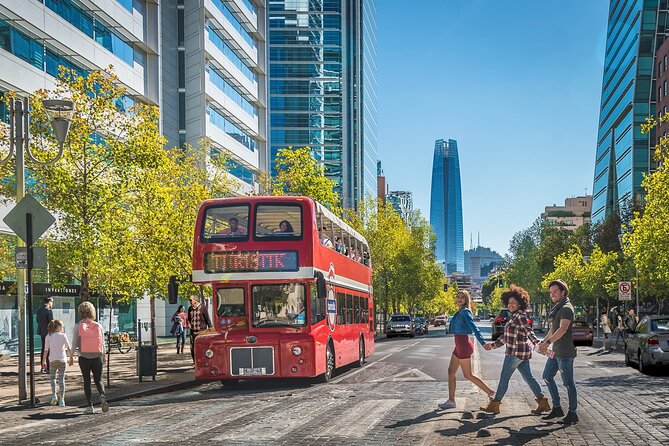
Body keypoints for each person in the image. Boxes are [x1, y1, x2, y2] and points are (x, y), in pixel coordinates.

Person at [481, 285, 549, 415]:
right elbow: (506, 336)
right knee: (529, 378)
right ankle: (542, 402)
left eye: (514, 302)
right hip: (522, 353)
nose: (511, 304)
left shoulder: (520, 316)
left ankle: (495, 404)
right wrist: (493, 345)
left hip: (515, 353)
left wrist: (538, 343)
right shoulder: (513, 316)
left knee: (504, 378)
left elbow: (529, 331)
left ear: (520, 303)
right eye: (509, 302)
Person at [438, 290, 495, 410]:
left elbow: (474, 327)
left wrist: (483, 342)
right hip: (459, 345)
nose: (459, 299)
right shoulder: (460, 311)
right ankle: (451, 401)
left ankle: (491, 393)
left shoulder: (465, 312)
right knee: (450, 371)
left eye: (462, 298)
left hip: (463, 345)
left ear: (466, 300)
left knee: (468, 375)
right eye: (458, 297)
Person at [538, 279, 578, 424]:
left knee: (568, 383)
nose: (552, 294)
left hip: (565, 353)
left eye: (555, 291)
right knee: (547, 376)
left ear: (563, 292)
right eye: (551, 292)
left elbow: (562, 329)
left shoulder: (567, 308)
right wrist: (544, 342)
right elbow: (553, 329)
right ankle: (557, 408)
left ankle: (572, 413)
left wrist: (548, 342)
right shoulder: (558, 308)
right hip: (556, 352)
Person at [70, 301, 108, 415]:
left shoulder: (78, 326)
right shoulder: (98, 325)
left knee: (87, 381)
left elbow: (74, 343)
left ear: (80, 312)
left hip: (84, 356)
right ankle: (102, 396)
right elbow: (102, 343)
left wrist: (71, 356)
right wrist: (104, 356)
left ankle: (90, 406)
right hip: (97, 356)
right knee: (99, 380)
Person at [43, 320, 72, 407]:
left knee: (52, 378)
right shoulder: (63, 336)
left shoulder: (48, 336)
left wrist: (43, 361)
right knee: (61, 380)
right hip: (62, 360)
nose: (62, 328)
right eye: (61, 326)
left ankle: (54, 396)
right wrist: (71, 357)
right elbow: (69, 348)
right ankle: (62, 400)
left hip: (52, 360)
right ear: (58, 327)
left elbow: (46, 350)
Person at [187, 294, 212, 361]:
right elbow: (188, 319)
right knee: (192, 348)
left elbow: (208, 319)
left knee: (201, 348)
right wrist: (188, 324)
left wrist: (211, 329)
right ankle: (195, 362)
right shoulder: (190, 308)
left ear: (195, 300)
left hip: (202, 332)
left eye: (190, 300)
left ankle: (203, 361)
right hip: (193, 332)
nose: (189, 301)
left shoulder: (203, 308)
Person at [37, 297, 54, 374]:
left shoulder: (39, 310)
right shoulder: (49, 310)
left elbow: (37, 320)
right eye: (52, 302)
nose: (52, 304)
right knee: (49, 349)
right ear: (49, 302)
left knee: (44, 349)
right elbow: (51, 323)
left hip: (42, 332)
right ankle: (49, 368)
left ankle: (43, 366)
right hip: (48, 332)